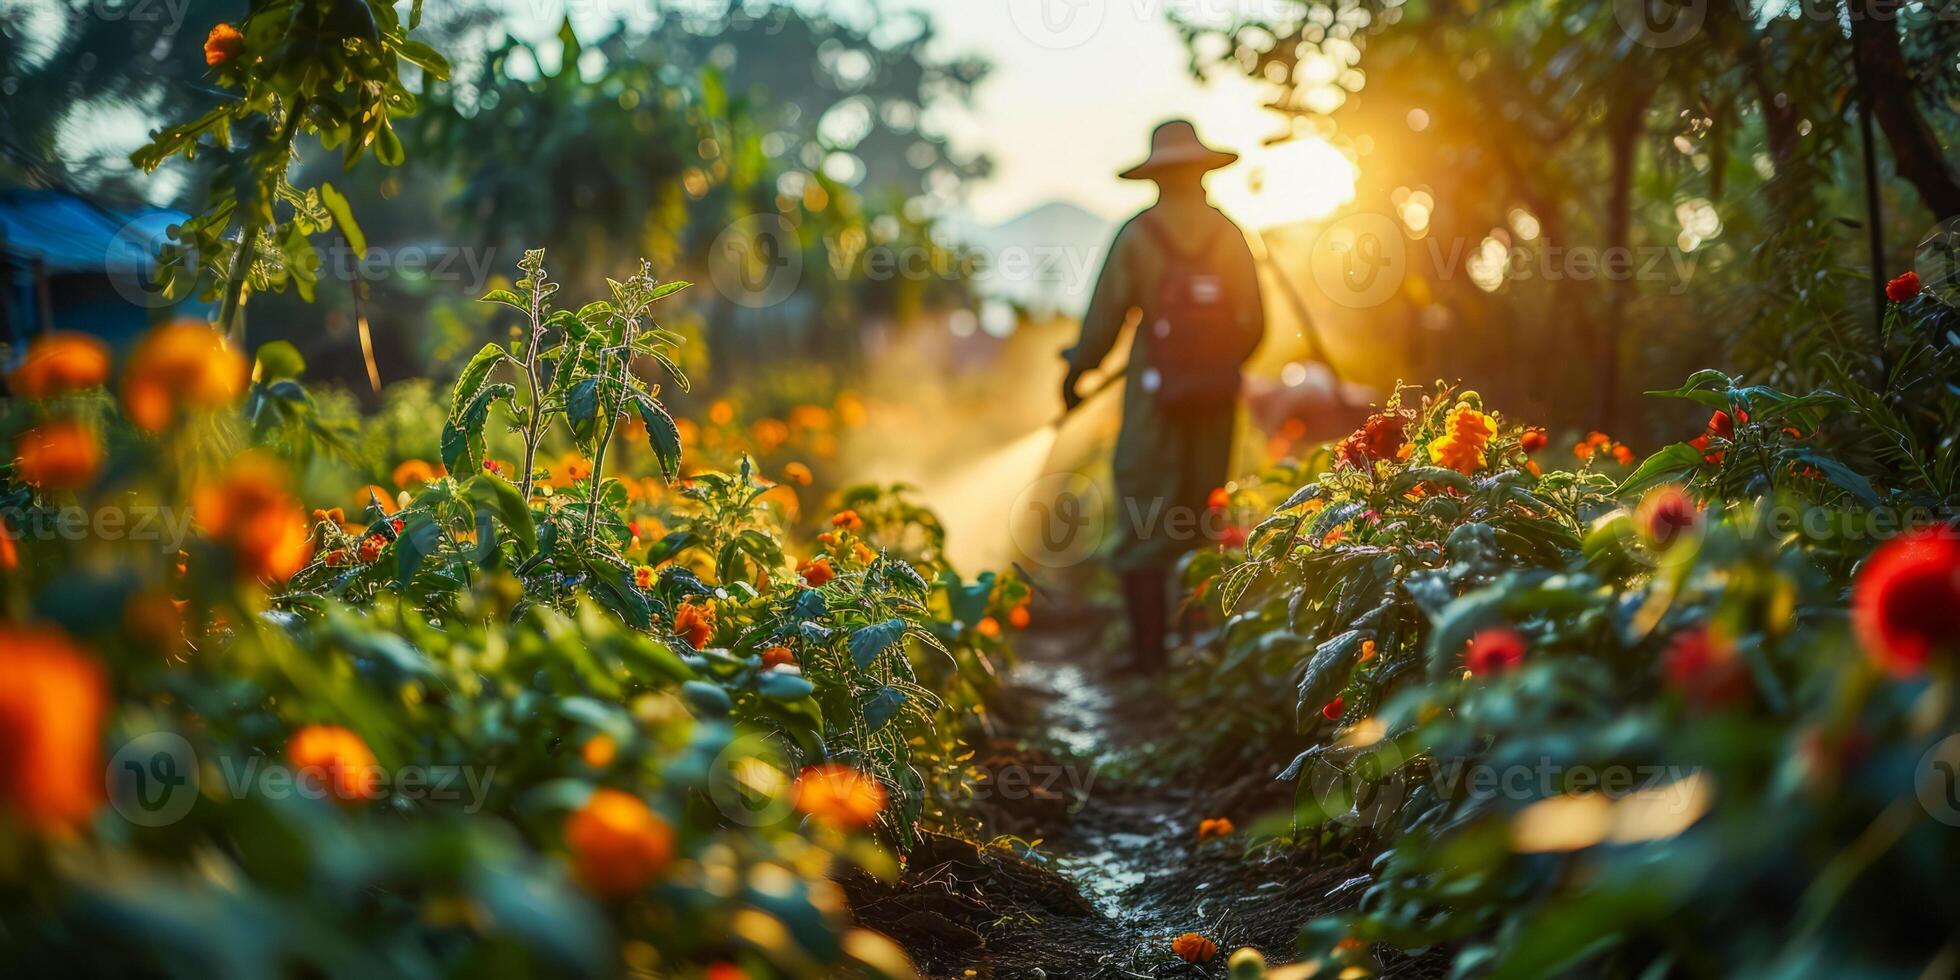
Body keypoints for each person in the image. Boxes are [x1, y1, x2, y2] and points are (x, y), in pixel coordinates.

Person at [1062, 119, 1265, 673]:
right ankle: (1203, 655)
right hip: (1217, 400)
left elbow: (1104, 321)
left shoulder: (1137, 235)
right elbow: (1256, 325)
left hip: (1153, 402)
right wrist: (1213, 367)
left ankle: (1149, 659)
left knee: (1145, 511)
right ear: (1201, 171)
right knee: (1205, 514)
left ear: (1156, 175)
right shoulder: (1231, 234)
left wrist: (1077, 370)